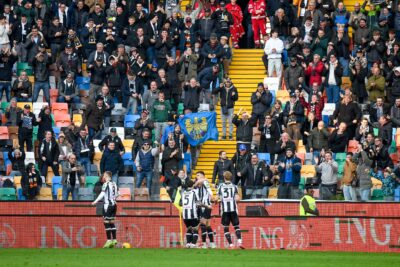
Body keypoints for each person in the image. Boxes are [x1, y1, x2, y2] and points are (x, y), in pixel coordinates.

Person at [92, 171, 119, 248]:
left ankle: (108, 240)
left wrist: (95, 201)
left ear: (106, 176)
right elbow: (118, 194)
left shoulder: (106, 184)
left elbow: (102, 193)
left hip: (107, 205)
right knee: (111, 222)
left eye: (104, 175)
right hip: (114, 205)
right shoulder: (114, 183)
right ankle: (114, 239)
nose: (103, 176)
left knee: (106, 222)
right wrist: (113, 199)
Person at [217, 171, 243, 249]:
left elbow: (219, 198)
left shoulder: (220, 186)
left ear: (224, 177)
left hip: (225, 210)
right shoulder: (234, 186)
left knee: (225, 227)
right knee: (236, 226)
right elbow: (238, 198)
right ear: (231, 177)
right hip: (233, 209)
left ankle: (231, 244)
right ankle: (240, 242)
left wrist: (217, 200)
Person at [194, 171, 216, 249]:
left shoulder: (205, 182)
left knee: (203, 224)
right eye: (196, 175)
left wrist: (212, 196)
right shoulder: (197, 183)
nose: (197, 176)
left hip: (206, 206)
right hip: (199, 206)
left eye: (198, 175)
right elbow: (194, 185)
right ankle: (211, 243)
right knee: (207, 225)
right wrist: (200, 180)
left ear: (203, 176)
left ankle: (204, 244)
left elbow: (209, 189)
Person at [181, 179, 200, 249]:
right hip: (192, 215)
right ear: (192, 185)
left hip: (185, 215)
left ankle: (188, 244)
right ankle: (193, 244)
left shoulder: (183, 193)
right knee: (195, 229)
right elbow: (198, 203)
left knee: (189, 229)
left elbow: (180, 203)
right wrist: (206, 206)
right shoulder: (194, 192)